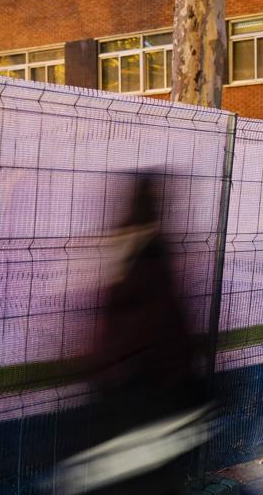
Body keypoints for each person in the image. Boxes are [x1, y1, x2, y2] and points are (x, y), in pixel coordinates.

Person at [53, 173, 213, 494]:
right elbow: (164, 330)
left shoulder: (126, 257)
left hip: (125, 394)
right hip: (149, 396)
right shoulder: (153, 261)